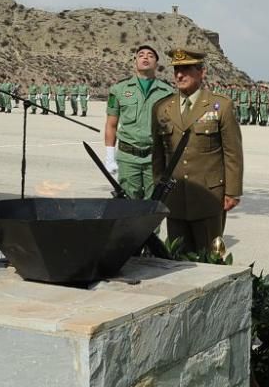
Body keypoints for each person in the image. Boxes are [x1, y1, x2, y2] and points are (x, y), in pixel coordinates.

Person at [152, 48, 243, 255]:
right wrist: (158, 188)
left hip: (209, 197)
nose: (179, 75)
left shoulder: (221, 106)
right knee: (178, 257)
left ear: (202, 72)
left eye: (186, 69)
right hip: (174, 197)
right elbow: (157, 154)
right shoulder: (161, 107)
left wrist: (232, 191)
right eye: (176, 70)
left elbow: (232, 153)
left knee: (211, 258)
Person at [104, 45, 175, 199]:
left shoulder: (168, 92)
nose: (145, 57)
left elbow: (172, 128)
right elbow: (111, 124)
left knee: (153, 206)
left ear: (156, 63)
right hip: (128, 157)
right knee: (128, 207)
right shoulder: (119, 89)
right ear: (134, 61)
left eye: (150, 55)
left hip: (155, 158)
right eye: (141, 54)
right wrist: (109, 155)